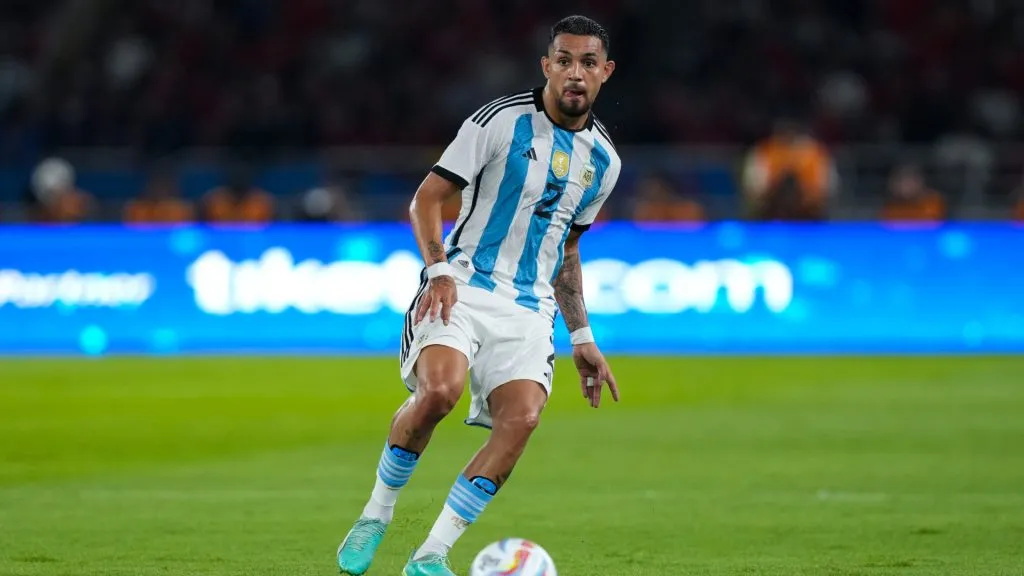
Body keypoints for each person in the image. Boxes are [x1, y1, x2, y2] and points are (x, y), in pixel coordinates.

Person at [337, 15, 621, 576]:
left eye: (588, 62)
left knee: (522, 420)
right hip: (462, 286)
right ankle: (376, 513)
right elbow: (426, 200)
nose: (575, 73)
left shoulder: (605, 162)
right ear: (546, 66)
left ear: (605, 72)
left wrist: (582, 335)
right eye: (564, 60)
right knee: (439, 393)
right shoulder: (497, 121)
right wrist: (438, 271)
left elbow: (565, 249)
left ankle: (430, 555)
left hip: (530, 310)